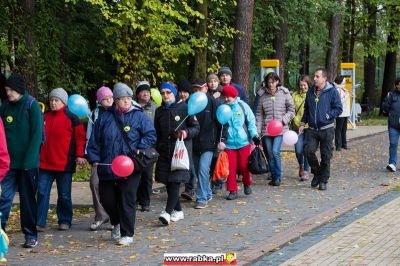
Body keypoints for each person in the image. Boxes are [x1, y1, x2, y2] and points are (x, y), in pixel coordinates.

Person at [87, 82, 156, 245]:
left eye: (128, 98)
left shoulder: (138, 115)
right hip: (107, 165)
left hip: (130, 165)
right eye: (122, 99)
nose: (126, 101)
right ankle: (116, 223)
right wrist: (94, 159)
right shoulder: (104, 118)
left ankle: (127, 233)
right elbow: (94, 141)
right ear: (115, 101)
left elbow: (151, 135)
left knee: (127, 198)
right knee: (107, 200)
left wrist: (140, 148)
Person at [0, 74, 43, 248]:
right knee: (4, 199)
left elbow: (36, 136)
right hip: (8, 164)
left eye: (10, 90)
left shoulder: (31, 105)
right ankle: (0, 233)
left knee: (27, 201)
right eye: (6, 90)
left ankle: (30, 235)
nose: (8, 93)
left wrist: (29, 162)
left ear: (18, 89)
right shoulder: (5, 107)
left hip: (27, 164)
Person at [37, 88, 87, 231]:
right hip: (44, 163)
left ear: (63, 102)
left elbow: (80, 138)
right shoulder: (44, 117)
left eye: (56, 100)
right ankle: (39, 222)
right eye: (51, 100)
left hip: (64, 164)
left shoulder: (72, 118)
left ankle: (65, 220)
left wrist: (80, 155)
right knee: (41, 192)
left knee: (64, 195)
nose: (53, 103)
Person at [154, 82, 199, 225]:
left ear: (175, 93)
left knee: (174, 181)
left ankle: (167, 212)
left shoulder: (186, 108)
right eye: (163, 93)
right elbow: (157, 132)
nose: (165, 95)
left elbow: (196, 128)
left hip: (180, 151)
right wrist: (156, 147)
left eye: (168, 92)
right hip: (164, 151)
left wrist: (185, 133)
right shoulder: (159, 111)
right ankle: (178, 211)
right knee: (167, 181)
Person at [299, 68, 342, 190]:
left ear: (324, 78)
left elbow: (338, 108)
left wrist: (328, 115)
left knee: (326, 155)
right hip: (312, 129)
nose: (314, 78)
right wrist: (303, 123)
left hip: (327, 129)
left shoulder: (332, 91)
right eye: (314, 76)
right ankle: (317, 173)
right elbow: (307, 110)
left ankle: (324, 180)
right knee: (308, 151)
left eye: (317, 76)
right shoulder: (311, 91)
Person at [218, 85, 258, 200]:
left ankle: (247, 182)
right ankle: (232, 190)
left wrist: (254, 135)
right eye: (224, 97)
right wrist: (221, 140)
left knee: (243, 165)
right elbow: (220, 125)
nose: (226, 99)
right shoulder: (222, 108)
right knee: (231, 168)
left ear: (234, 96)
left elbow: (251, 121)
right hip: (229, 143)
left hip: (243, 142)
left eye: (228, 97)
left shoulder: (242, 106)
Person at [256, 72, 295, 186]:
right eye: (269, 82)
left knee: (275, 152)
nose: (271, 84)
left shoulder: (284, 93)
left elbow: (291, 110)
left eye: (273, 82)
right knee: (269, 153)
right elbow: (259, 115)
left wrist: (283, 121)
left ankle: (278, 176)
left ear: (277, 81)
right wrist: (258, 131)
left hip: (280, 129)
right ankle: (273, 176)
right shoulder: (262, 95)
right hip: (266, 130)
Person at [86, 86, 114, 230]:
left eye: (110, 97)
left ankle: (115, 216)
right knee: (94, 183)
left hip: (116, 156)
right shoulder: (95, 114)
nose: (108, 100)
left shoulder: (118, 111)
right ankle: (101, 215)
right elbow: (90, 137)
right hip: (99, 157)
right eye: (105, 99)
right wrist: (91, 156)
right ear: (99, 101)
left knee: (114, 186)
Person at [191, 80, 219, 209]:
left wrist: (221, 140)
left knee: (203, 169)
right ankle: (207, 192)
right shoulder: (190, 103)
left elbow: (222, 123)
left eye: (200, 88)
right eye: (195, 89)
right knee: (197, 171)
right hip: (195, 143)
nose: (197, 91)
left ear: (206, 88)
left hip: (209, 143)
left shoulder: (213, 102)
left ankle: (201, 198)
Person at [135, 81, 158, 212]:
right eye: (143, 91)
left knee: (147, 175)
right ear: (138, 94)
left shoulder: (154, 107)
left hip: (150, 147)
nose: (146, 94)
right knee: (136, 174)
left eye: (148, 92)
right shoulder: (133, 107)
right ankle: (136, 199)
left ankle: (145, 201)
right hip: (135, 146)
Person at [177, 79, 196, 201]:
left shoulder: (193, 105)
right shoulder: (176, 104)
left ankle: (190, 188)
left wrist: (187, 132)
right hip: (178, 139)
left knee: (190, 164)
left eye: (186, 92)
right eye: (181, 91)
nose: (183, 94)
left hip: (190, 137)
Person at [291, 75, 312, 181]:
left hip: (309, 127)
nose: (302, 87)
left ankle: (306, 171)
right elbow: (290, 109)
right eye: (300, 85)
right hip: (297, 127)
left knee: (307, 149)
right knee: (298, 150)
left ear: (308, 85)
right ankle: (301, 164)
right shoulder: (294, 95)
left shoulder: (312, 95)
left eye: (304, 85)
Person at [382, 77, 400, 172]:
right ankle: (392, 163)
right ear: (397, 85)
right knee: (393, 144)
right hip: (393, 125)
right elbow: (385, 107)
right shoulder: (391, 95)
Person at [334, 76, 350, 151]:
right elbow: (339, 101)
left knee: (344, 129)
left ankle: (344, 144)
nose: (345, 82)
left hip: (345, 113)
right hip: (340, 113)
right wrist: (347, 95)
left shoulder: (343, 89)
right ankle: (338, 145)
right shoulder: (337, 89)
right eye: (344, 81)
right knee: (339, 129)